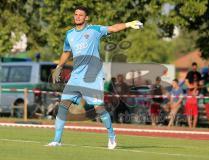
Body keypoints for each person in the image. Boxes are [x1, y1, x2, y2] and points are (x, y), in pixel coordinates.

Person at [46, 6, 143, 149]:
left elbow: (113, 28)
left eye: (81, 15)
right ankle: (56, 140)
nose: (77, 16)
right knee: (63, 106)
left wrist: (128, 24)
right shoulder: (69, 34)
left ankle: (111, 135)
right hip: (76, 77)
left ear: (86, 18)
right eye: (76, 14)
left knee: (99, 109)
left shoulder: (94, 30)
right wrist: (59, 67)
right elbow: (66, 52)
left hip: (93, 76)